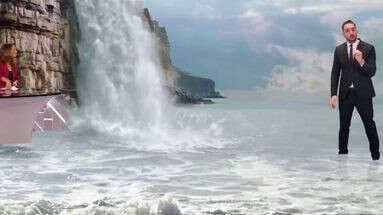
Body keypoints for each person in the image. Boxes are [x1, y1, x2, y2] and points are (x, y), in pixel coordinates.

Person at [330, 20, 380, 160]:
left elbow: (371, 72)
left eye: (353, 29)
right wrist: (334, 94)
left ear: (356, 30)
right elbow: (335, 72)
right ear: (343, 33)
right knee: (344, 127)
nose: (351, 32)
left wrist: (361, 61)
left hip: (363, 94)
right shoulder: (339, 50)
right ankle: (342, 159)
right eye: (347, 30)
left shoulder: (369, 48)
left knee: (369, 124)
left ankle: (376, 157)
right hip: (345, 95)